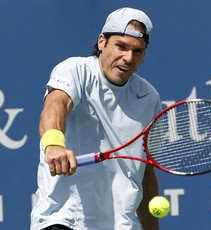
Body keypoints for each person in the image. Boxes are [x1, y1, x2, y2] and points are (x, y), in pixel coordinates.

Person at [30, 7, 161, 230]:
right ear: (102, 42)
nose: (128, 58)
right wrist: (53, 144)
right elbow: (56, 105)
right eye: (121, 46)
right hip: (64, 220)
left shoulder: (149, 97)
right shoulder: (75, 70)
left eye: (137, 51)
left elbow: (145, 171)